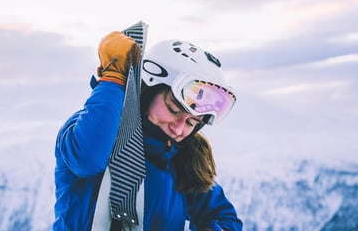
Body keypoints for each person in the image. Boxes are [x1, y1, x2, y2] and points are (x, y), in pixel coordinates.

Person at [53, 29, 243, 230]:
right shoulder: (89, 130)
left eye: (192, 123)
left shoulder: (180, 160)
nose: (179, 129)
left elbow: (224, 218)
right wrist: (115, 80)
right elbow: (87, 160)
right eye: (173, 110)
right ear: (147, 91)